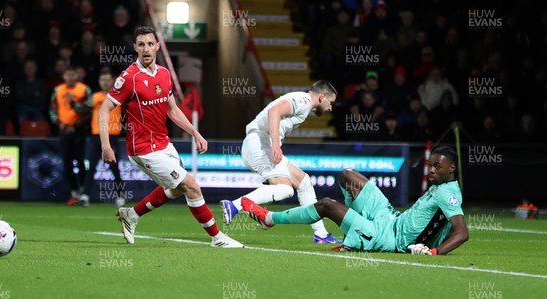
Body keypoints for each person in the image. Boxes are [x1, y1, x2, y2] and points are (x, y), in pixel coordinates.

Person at [99, 26, 243, 248]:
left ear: (157, 46)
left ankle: (132, 214)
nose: (146, 49)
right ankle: (217, 238)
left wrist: (195, 132)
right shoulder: (129, 78)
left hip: (164, 144)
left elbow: (172, 110)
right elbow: (104, 109)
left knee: (177, 188)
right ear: (135, 48)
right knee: (191, 186)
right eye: (141, 45)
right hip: (143, 149)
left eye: (150, 44)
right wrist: (106, 145)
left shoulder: (165, 74)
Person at [242, 146, 468, 255]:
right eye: (431, 165)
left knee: (327, 205)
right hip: (390, 218)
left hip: (389, 238)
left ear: (452, 168)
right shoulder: (440, 187)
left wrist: (434, 251)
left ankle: (270, 218)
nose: (432, 171)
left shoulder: (448, 194)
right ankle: (356, 225)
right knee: (347, 175)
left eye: (438, 167)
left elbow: (461, 232)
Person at [220, 80, 341, 244]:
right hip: (260, 143)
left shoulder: (303, 102)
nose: (330, 108)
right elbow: (274, 111)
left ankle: (321, 234)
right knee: (285, 189)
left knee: (304, 182)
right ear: (322, 97)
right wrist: (276, 144)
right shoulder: (304, 101)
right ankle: (235, 205)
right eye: (330, 102)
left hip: (259, 143)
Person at [79, 69, 124, 207]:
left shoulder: (118, 96)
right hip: (95, 135)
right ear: (99, 82)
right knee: (91, 167)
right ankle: (86, 196)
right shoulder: (94, 97)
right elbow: (81, 109)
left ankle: (120, 195)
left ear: (112, 81)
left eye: (107, 80)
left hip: (112, 135)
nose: (105, 83)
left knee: (114, 168)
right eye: (102, 80)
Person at [49, 66, 92, 205]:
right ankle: (73, 192)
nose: (70, 77)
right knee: (66, 161)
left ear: (76, 76)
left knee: (80, 160)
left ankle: (82, 188)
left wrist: (76, 124)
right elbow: (52, 109)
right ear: (64, 76)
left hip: (79, 131)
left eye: (72, 75)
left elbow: (88, 109)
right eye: (67, 75)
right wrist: (60, 124)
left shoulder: (84, 89)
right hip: (64, 131)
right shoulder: (57, 90)